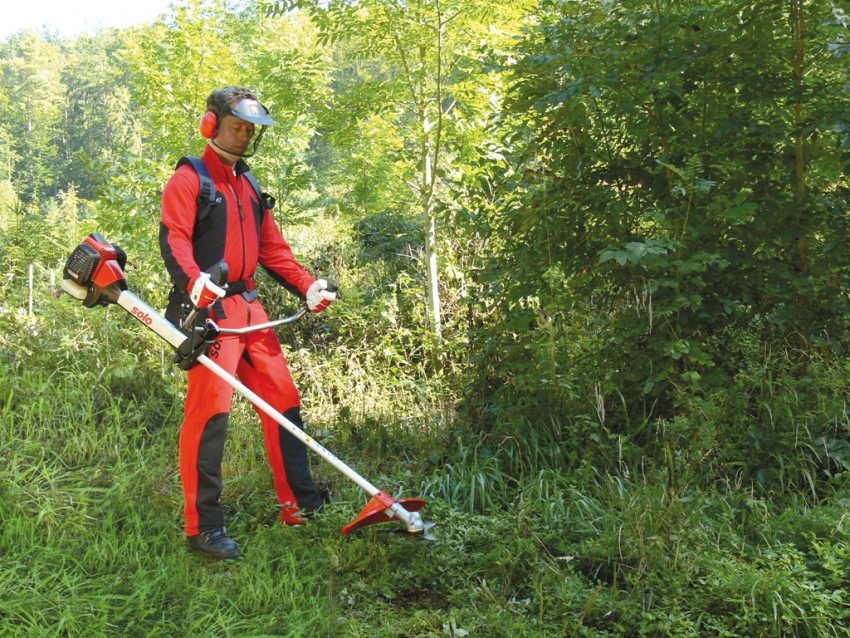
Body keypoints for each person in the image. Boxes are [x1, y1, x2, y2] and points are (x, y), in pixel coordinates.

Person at [159, 86, 336, 560]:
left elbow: (273, 248)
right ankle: (204, 528)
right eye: (238, 126)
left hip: (252, 310)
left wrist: (307, 285)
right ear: (211, 123)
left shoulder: (249, 183)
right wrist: (194, 281)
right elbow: (174, 238)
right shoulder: (190, 179)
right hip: (209, 314)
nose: (246, 136)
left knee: (284, 402)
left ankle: (299, 505)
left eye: (251, 129)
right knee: (210, 416)